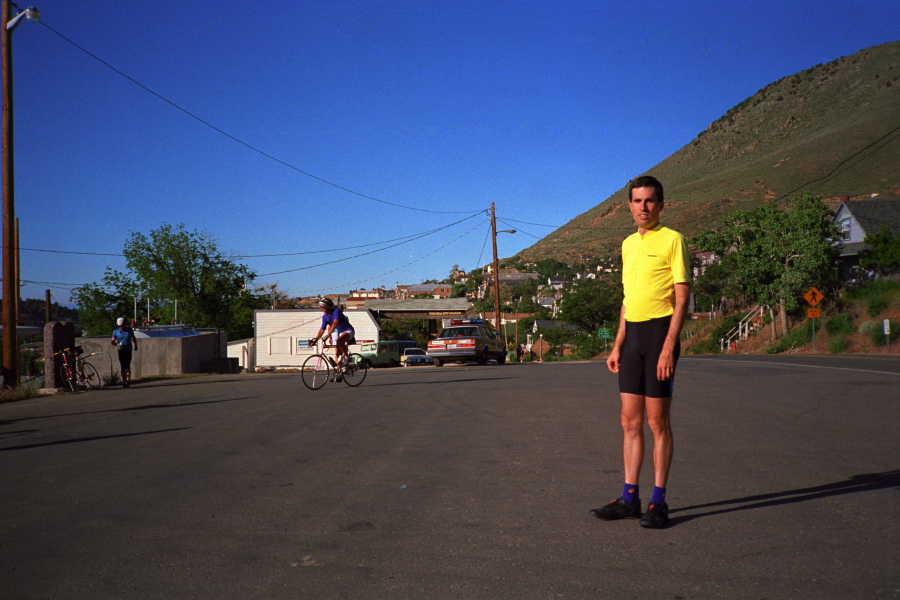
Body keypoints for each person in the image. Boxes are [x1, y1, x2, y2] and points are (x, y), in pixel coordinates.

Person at [590, 175, 690, 529]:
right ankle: (629, 498)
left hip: (660, 334)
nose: (643, 207)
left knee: (657, 422)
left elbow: (682, 298)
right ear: (629, 206)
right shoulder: (628, 244)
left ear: (661, 204)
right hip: (632, 338)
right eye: (637, 201)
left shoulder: (673, 240)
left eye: (649, 201)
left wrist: (668, 348)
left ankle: (658, 502)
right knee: (629, 422)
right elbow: (627, 299)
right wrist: (617, 344)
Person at [310, 298, 355, 375]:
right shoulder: (325, 317)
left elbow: (335, 323)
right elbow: (322, 329)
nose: (321, 308)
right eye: (320, 307)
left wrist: (328, 335)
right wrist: (315, 340)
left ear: (329, 306)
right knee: (337, 354)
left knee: (339, 341)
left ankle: (347, 357)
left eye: (323, 307)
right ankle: (339, 373)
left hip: (348, 331)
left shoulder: (336, 311)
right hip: (339, 333)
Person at [111, 317, 139, 388]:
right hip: (121, 350)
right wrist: (117, 344)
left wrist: (135, 345)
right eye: (120, 326)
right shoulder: (115, 331)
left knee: (127, 365)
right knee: (122, 366)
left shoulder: (129, 330)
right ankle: (124, 380)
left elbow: (133, 338)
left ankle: (128, 380)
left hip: (128, 349)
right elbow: (112, 341)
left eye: (122, 326)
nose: (121, 327)